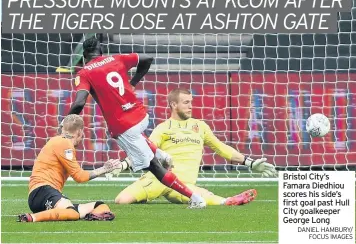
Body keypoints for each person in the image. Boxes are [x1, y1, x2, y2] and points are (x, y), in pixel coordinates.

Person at [66, 37, 206, 208]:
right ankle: (163, 155)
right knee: (137, 137)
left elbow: (80, 102)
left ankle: (195, 198)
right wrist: (133, 83)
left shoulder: (84, 73)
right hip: (140, 115)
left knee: (154, 168)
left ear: (84, 55)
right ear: (101, 50)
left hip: (124, 126)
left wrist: (65, 123)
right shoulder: (116, 59)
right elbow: (147, 59)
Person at [115, 88, 277, 206]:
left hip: (184, 185)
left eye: (191, 102)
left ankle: (228, 201)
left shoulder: (200, 126)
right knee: (121, 201)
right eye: (186, 102)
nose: (190, 106)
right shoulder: (164, 127)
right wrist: (123, 164)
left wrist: (250, 163)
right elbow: (145, 149)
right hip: (161, 179)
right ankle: (144, 196)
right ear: (174, 105)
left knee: (207, 198)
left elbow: (221, 148)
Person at [18, 114, 121, 222]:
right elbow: (79, 177)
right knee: (73, 213)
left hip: (42, 194)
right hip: (42, 191)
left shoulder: (59, 141)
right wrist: (105, 169)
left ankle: (91, 216)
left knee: (99, 206)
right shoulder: (64, 143)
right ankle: (31, 217)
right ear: (79, 132)